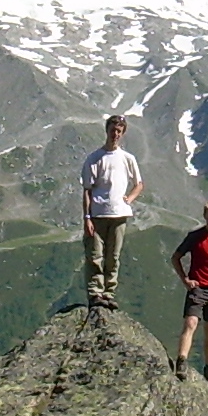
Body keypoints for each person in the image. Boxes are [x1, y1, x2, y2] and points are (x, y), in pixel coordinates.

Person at [80, 114, 144, 308]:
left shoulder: (127, 158)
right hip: (98, 214)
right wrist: (87, 217)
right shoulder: (94, 158)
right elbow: (87, 191)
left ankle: (108, 293)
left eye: (119, 131)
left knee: (113, 256)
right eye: (112, 130)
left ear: (122, 133)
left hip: (119, 215)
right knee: (95, 256)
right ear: (107, 131)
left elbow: (139, 184)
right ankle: (95, 293)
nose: (115, 134)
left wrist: (129, 198)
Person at [170, 199, 208, 391]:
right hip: (198, 288)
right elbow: (176, 257)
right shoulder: (195, 237)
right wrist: (185, 280)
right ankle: (181, 361)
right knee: (191, 323)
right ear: (205, 217)